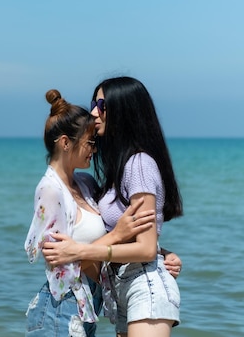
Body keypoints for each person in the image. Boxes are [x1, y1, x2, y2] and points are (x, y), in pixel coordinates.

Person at [25, 89, 176, 337]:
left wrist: (158, 253)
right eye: (89, 143)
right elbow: (62, 263)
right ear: (65, 143)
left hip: (87, 307)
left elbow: (109, 234)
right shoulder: (49, 191)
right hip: (60, 309)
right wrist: (117, 236)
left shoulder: (86, 184)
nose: (94, 150)